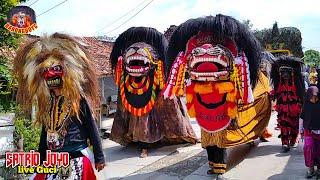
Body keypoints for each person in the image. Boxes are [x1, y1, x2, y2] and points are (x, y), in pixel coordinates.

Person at [163, 14, 271, 179]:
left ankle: (219, 168)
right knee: (207, 137)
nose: (206, 48)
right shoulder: (193, 80)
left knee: (220, 136)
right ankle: (213, 164)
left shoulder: (235, 77)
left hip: (225, 99)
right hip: (201, 102)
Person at [13, 33, 105, 179]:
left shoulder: (78, 99)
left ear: (66, 73)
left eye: (55, 69)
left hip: (76, 157)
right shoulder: (46, 102)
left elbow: (92, 129)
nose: (49, 74)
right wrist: (41, 159)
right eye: (45, 71)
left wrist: (100, 157)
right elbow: (45, 134)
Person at [109, 27, 197, 158]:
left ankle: (173, 136)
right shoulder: (126, 79)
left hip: (154, 88)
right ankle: (142, 142)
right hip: (133, 92)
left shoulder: (159, 74)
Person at [270, 56, 305, 152]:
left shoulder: (297, 82)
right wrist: (272, 94)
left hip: (295, 108)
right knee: (283, 125)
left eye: (287, 72)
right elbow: (275, 91)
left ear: (291, 73)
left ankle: (293, 139)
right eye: (283, 72)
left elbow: (302, 94)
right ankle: (285, 143)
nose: (285, 74)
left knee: (295, 125)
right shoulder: (278, 82)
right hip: (283, 108)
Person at [299, 86, 320, 179]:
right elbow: (302, 119)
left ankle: (319, 168)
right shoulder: (306, 105)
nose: (314, 99)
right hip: (308, 131)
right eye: (312, 97)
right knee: (309, 148)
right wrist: (301, 131)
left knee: (319, 150)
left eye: (316, 97)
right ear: (308, 97)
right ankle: (311, 169)